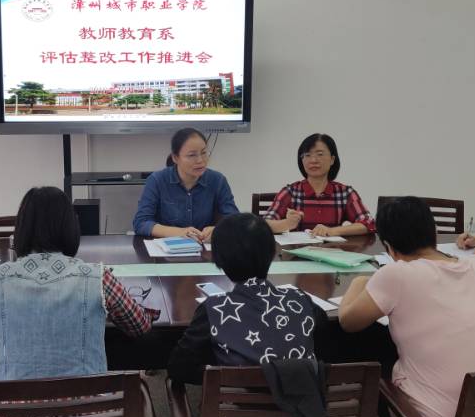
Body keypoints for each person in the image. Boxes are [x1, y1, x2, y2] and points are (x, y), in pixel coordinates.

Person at [339, 196, 475, 417]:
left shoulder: (396, 274)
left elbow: (348, 322)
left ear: (388, 247)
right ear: (434, 234)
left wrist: (358, 282)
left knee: (375, 359)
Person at [0, 186, 158, 381]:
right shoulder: (98, 278)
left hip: (15, 400)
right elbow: (139, 325)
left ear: (21, 229)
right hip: (89, 400)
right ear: (70, 227)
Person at [167, 213, 330, 385]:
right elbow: (324, 345)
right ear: (272, 253)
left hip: (234, 401)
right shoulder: (300, 300)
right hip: (304, 400)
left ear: (220, 261)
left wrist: (222, 375)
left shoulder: (213, 309)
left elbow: (178, 367)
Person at [132, 128, 238, 242]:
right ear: (175, 157)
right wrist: (179, 232)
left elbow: (235, 221)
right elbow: (141, 223)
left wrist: (218, 230)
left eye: (204, 153)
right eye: (192, 155)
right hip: (168, 248)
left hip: (204, 248)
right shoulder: (157, 180)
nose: (200, 160)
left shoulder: (217, 180)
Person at [264, 133, 375, 237]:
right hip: (297, 251)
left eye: (320, 154)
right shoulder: (290, 192)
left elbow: (368, 223)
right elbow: (264, 224)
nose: (313, 160)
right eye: (307, 155)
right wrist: (286, 223)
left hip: (333, 250)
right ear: (302, 160)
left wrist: (332, 231)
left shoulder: (345, 193)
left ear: (332, 159)